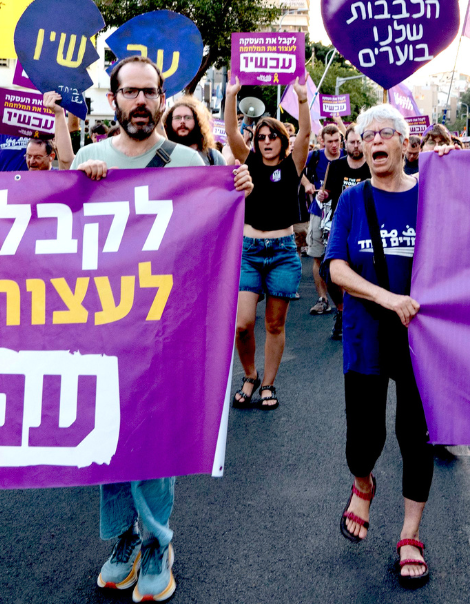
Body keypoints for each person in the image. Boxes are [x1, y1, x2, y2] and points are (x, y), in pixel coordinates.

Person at [72, 55, 253, 603]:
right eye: (131, 92)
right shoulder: (88, 157)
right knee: (109, 436)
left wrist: (235, 185)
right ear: (114, 99)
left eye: (151, 92)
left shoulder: (186, 160)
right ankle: (125, 538)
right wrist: (80, 186)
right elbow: (55, 234)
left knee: (151, 435)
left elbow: (212, 229)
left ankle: (157, 542)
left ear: (162, 97)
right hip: (102, 324)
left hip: (165, 327)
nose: (142, 102)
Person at [326, 103, 432, 588]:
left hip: (424, 342)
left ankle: (410, 535)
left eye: (383, 134)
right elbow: (336, 268)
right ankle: (363, 483)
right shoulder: (353, 200)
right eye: (366, 136)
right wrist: (385, 297)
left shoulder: (432, 196)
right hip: (366, 335)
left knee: (416, 436)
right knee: (363, 440)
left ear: (405, 143)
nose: (373, 143)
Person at [224, 75, 311, 410]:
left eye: (272, 135)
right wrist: (232, 95)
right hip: (247, 252)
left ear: (281, 139)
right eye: (260, 137)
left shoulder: (293, 164)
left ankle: (268, 385)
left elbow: (304, 133)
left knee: (275, 325)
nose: (266, 141)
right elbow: (232, 132)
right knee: (242, 325)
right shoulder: (249, 161)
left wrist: (302, 99)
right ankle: (249, 374)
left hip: (283, 254)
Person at [317, 125, 371, 340]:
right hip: (340, 224)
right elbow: (328, 192)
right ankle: (341, 309)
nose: (356, 145)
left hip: (367, 226)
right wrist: (323, 195)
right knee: (330, 273)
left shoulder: (371, 165)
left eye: (359, 141)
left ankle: (365, 316)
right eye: (352, 142)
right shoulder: (337, 166)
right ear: (345, 144)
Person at [303, 124, 344, 316]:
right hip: (318, 211)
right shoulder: (315, 156)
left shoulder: (347, 156)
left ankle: (344, 304)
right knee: (318, 255)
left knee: (343, 256)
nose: (335, 145)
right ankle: (322, 299)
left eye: (337, 140)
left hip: (341, 212)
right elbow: (299, 172)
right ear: (322, 141)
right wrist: (308, 184)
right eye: (330, 141)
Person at [163, 95, 226, 166]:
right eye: (177, 118)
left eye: (188, 117)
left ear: (197, 121)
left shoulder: (213, 157)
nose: (182, 121)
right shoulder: (162, 157)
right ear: (169, 121)